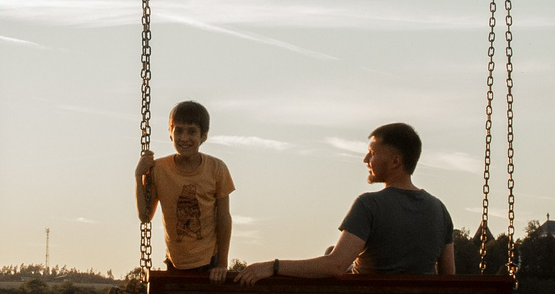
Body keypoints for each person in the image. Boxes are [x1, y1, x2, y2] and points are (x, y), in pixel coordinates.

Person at [234, 122, 457, 282]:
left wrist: (273, 266)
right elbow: (449, 277)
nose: (366, 160)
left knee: (332, 254)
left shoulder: (369, 205)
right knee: (335, 250)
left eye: (372, 153)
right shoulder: (440, 210)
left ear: (395, 161)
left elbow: (335, 265)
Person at [133, 100, 234, 282]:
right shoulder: (159, 169)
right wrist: (139, 177)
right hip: (175, 261)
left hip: (209, 260)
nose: (184, 138)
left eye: (191, 131)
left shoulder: (217, 168)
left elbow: (224, 218)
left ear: (203, 136)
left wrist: (222, 263)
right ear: (170, 134)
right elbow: (145, 215)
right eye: (178, 130)